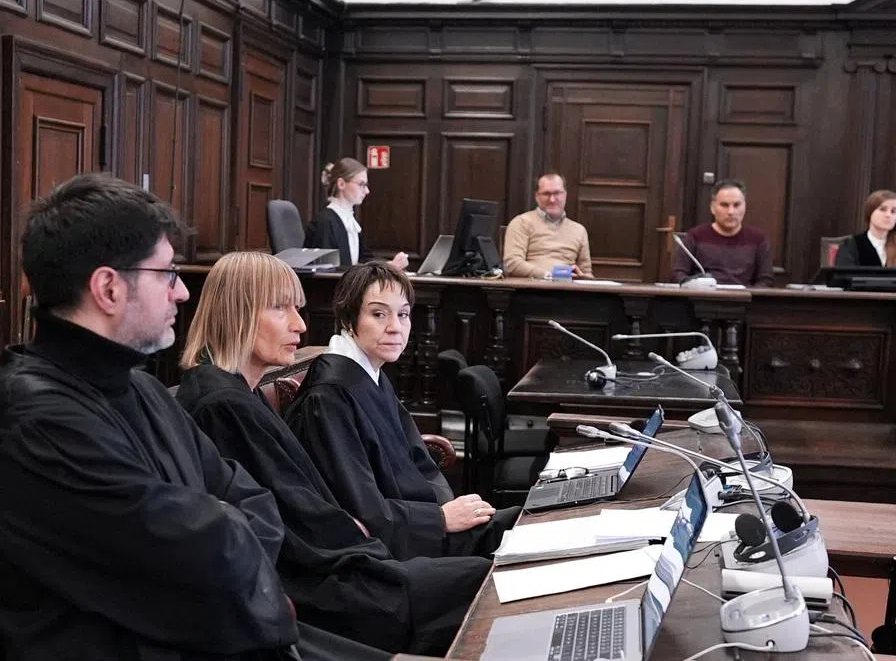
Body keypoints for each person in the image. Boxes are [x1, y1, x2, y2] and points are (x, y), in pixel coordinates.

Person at [0, 173, 388, 660]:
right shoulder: (36, 419)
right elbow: (207, 556)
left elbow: (252, 500)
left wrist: (229, 532)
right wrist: (230, 536)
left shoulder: (140, 386)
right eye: (167, 275)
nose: (182, 293)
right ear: (108, 288)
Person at [176, 252, 489, 655]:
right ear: (237, 311)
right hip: (318, 586)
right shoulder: (223, 405)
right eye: (280, 308)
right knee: (479, 580)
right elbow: (291, 527)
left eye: (298, 309)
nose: (300, 324)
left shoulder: (237, 391)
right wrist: (370, 547)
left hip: (339, 560)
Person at [287, 262, 520, 560]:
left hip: (423, 524)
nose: (395, 327)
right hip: (398, 545)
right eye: (378, 314)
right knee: (523, 533)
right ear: (348, 318)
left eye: (403, 314)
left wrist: (450, 512)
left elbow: (420, 463)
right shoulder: (329, 396)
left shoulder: (373, 374)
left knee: (530, 521)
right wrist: (440, 520)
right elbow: (360, 506)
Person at [305, 157, 409, 271]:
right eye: (361, 184)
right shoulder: (325, 222)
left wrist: (389, 265)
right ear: (341, 184)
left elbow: (364, 257)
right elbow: (327, 270)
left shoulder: (348, 220)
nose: (367, 191)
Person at [671, 178, 774, 286]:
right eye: (724, 205)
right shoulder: (695, 236)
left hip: (744, 300)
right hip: (703, 299)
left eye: (737, 205)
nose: (731, 212)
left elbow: (766, 279)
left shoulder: (758, 238)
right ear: (712, 207)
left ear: (745, 206)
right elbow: (678, 274)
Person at [503, 172, 593, 278]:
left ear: (565, 195)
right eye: (546, 194)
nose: (552, 199)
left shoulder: (579, 230)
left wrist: (584, 277)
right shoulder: (521, 223)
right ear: (537, 196)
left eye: (557, 193)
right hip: (530, 290)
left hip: (569, 290)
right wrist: (550, 275)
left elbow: (587, 273)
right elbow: (512, 264)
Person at [834, 190, 896, 268]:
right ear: (870, 212)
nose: (888, 215)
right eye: (883, 209)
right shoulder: (851, 245)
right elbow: (843, 278)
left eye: (893, 211)